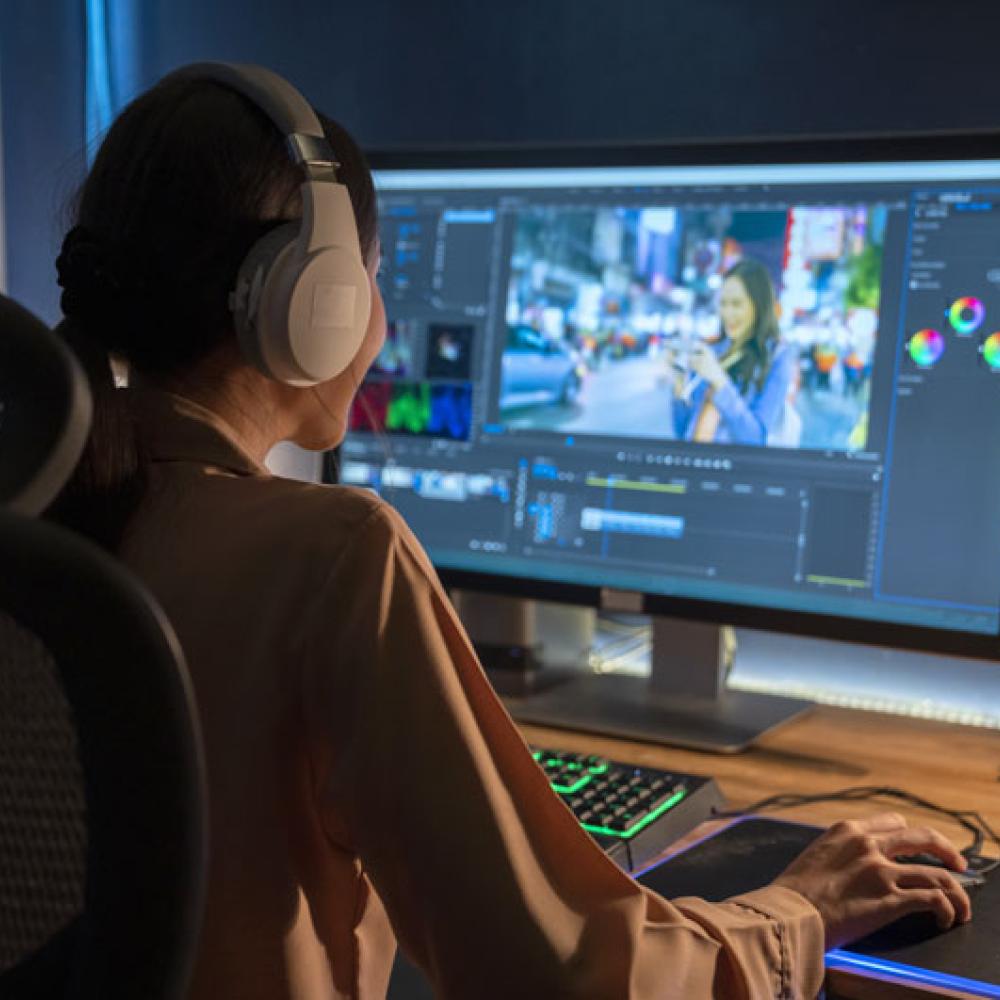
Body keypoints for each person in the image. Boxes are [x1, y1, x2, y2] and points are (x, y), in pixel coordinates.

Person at [49, 65, 971, 1000]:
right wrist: (799, 911)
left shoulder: (47, 519)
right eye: (374, 276)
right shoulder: (332, 558)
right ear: (311, 302)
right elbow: (562, 975)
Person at [669, 258, 799, 446]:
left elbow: (755, 439)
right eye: (723, 303)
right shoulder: (714, 351)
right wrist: (679, 382)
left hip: (734, 465)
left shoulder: (777, 358)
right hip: (695, 462)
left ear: (758, 306)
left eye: (737, 304)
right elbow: (683, 432)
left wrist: (719, 381)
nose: (727, 313)